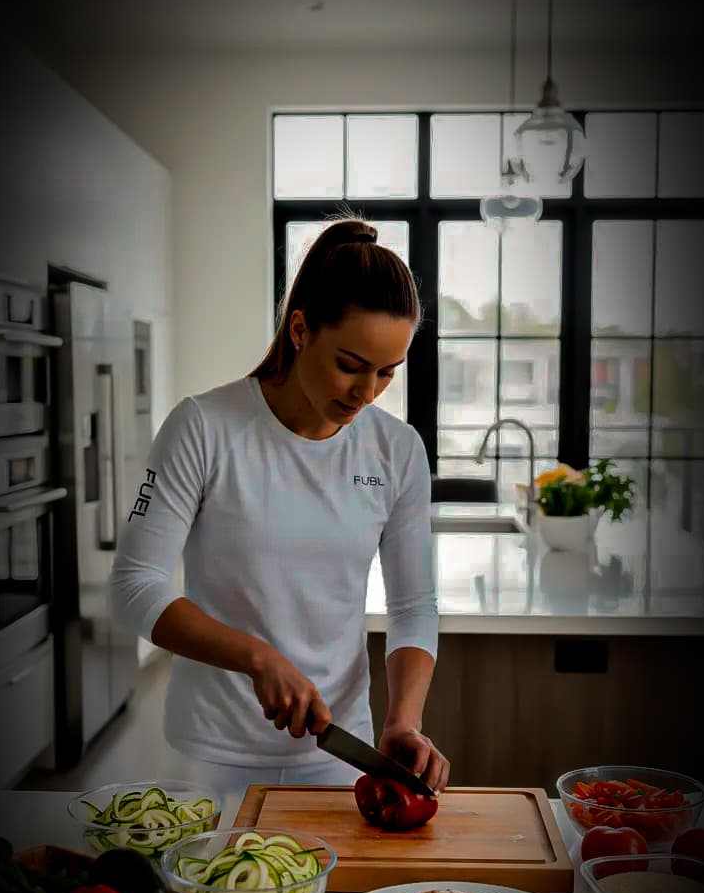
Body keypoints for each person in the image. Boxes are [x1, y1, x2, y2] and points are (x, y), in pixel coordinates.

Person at [109, 214, 449, 821]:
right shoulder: (204, 427)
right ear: (300, 329)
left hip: (338, 758)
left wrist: (403, 721)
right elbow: (135, 588)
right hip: (211, 754)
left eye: (386, 372)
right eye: (350, 364)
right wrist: (257, 657)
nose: (366, 392)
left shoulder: (397, 450)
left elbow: (413, 606)